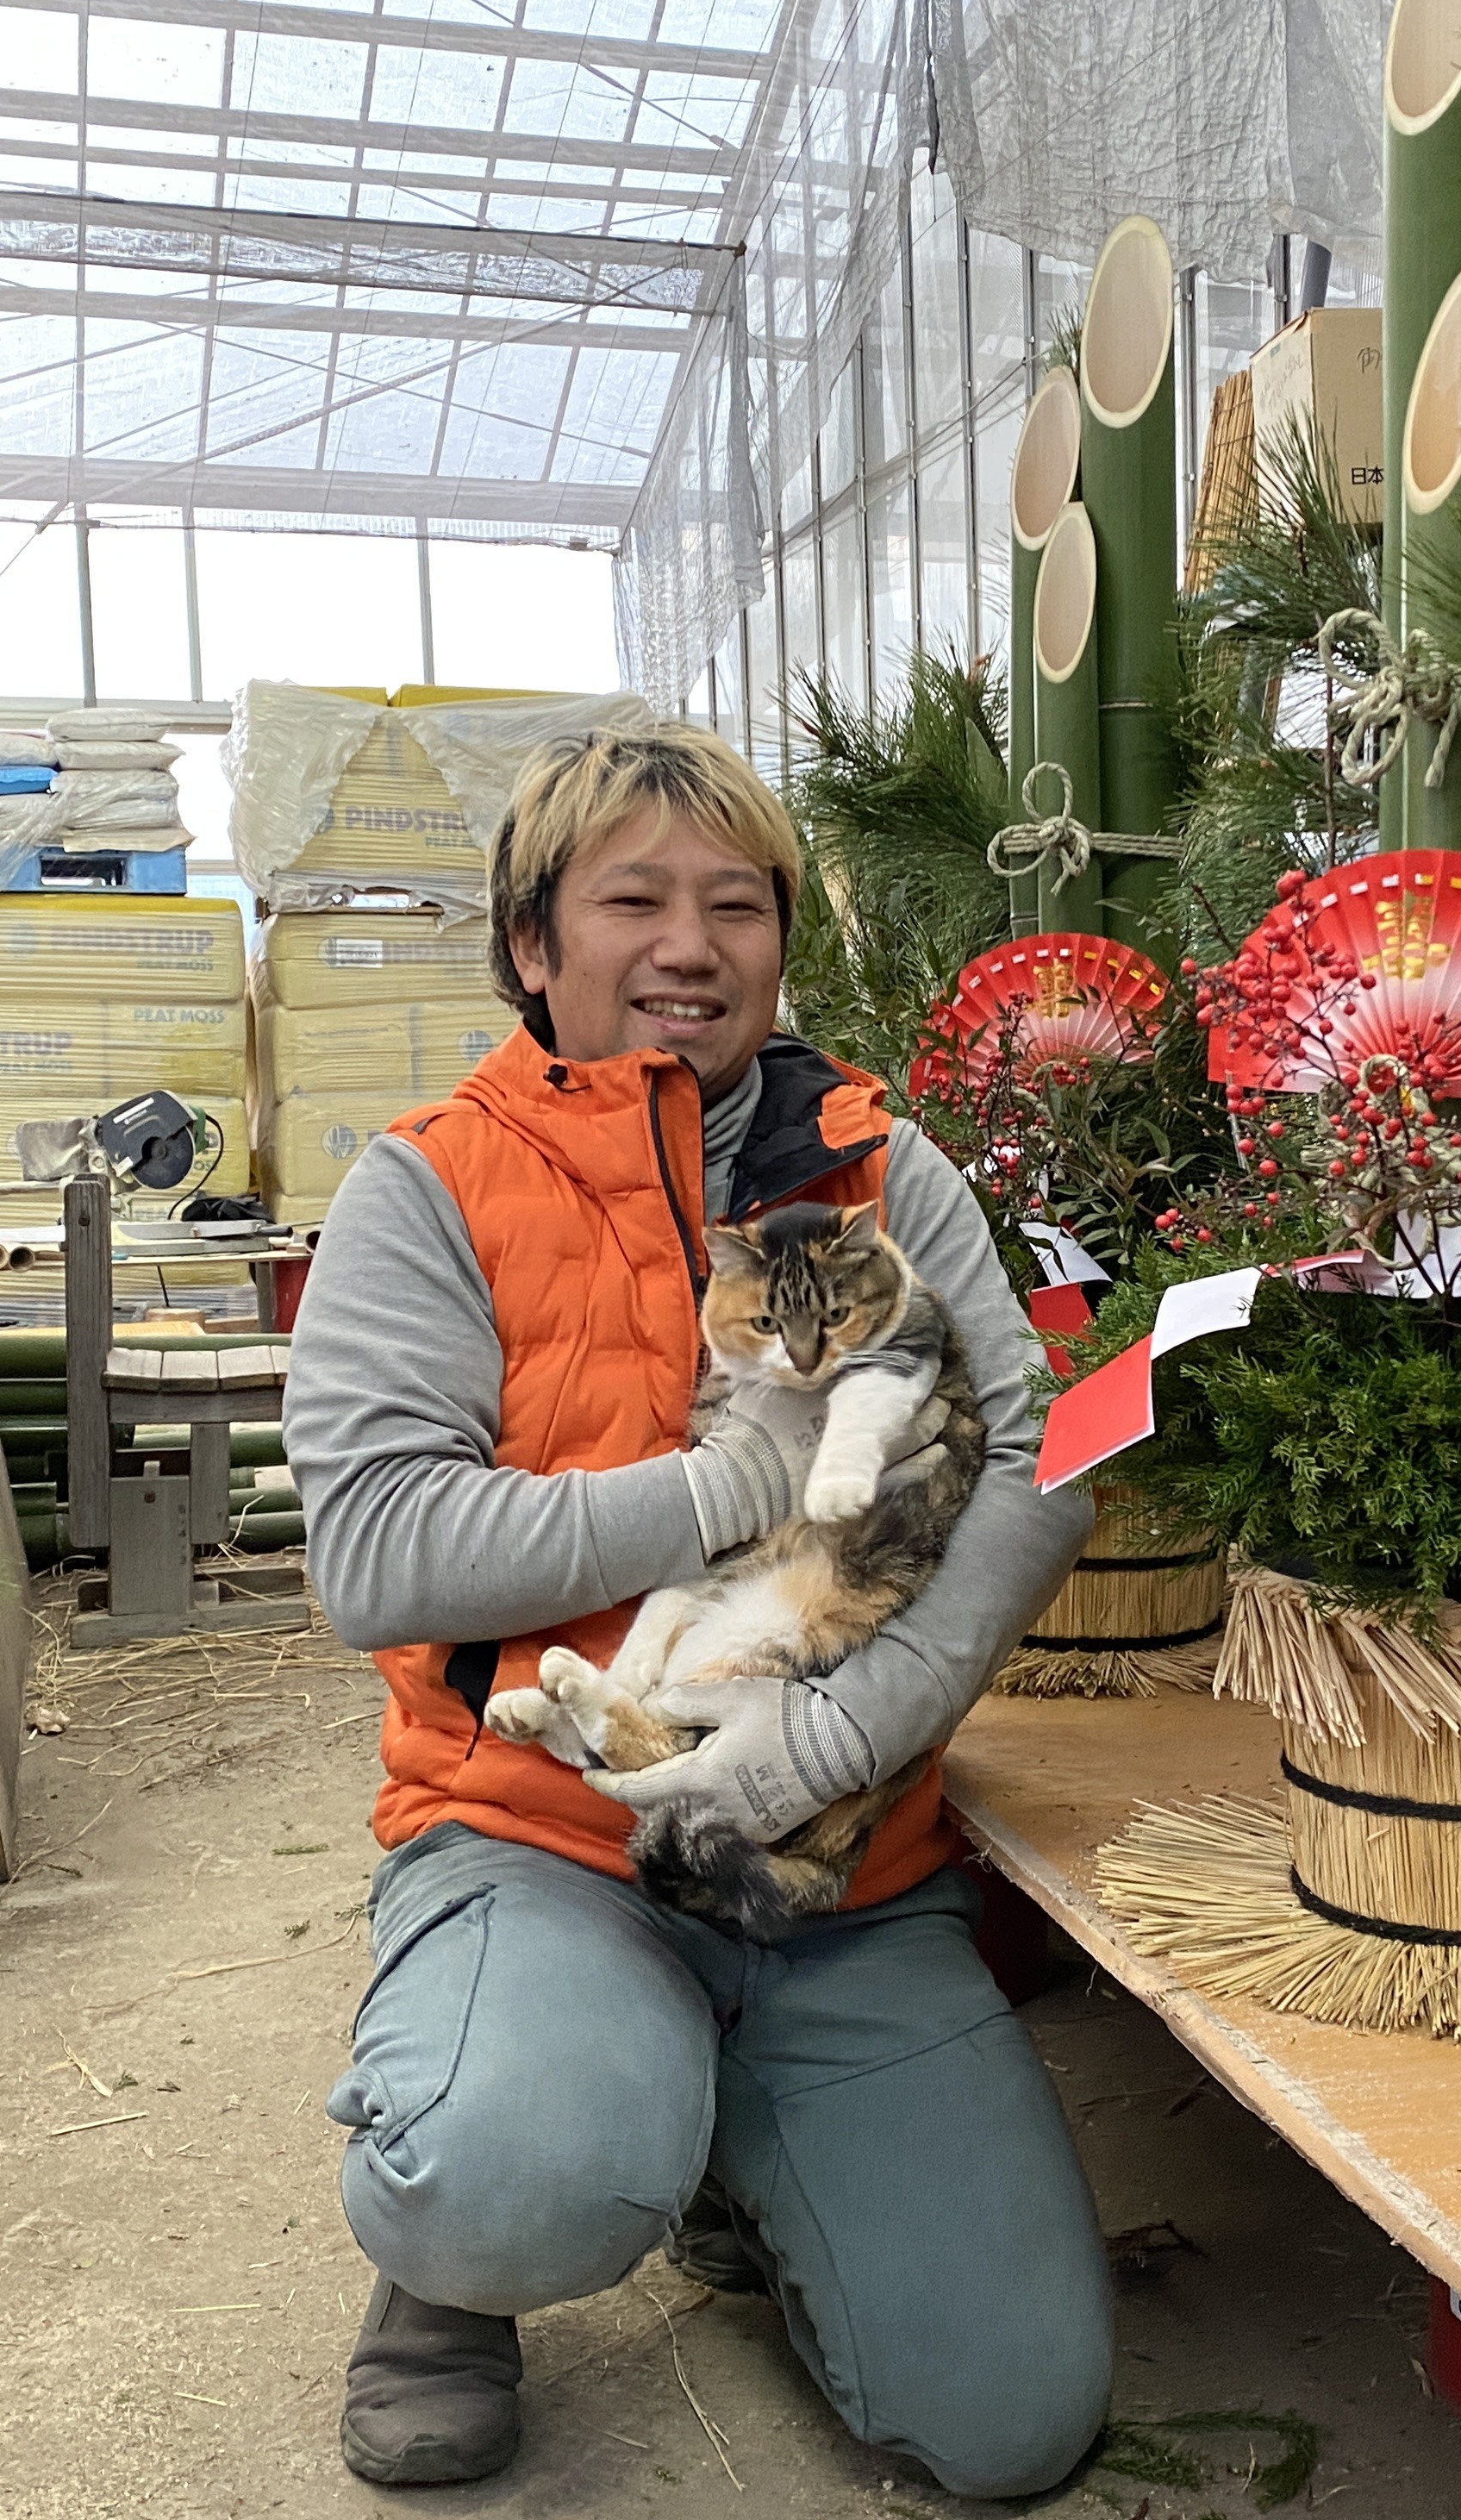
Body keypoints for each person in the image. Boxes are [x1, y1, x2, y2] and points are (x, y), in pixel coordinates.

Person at [284, 722, 1111, 2496]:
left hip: (842, 1865)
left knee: (1013, 2421)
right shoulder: (432, 1184)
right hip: (551, 1839)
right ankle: (455, 2259)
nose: (691, 946)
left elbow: (1047, 1460)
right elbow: (383, 1552)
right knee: (517, 2174)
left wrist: (848, 1732)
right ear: (533, 943)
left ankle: (740, 2144)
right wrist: (737, 1480)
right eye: (633, 901)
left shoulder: (881, 1167)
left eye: (737, 905)